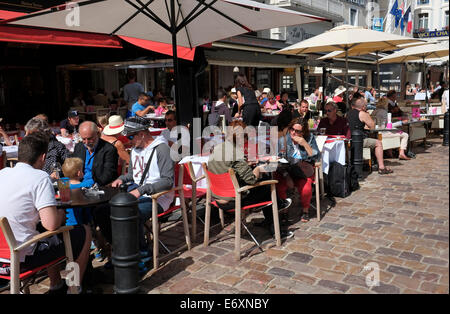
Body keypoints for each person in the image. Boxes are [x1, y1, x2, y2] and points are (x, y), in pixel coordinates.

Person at [0, 134, 91, 294]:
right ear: (43, 157)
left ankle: (56, 284)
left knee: (47, 235)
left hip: (2, 257)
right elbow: (51, 224)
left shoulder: (2, 174)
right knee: (83, 232)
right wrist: (61, 214)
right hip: (19, 258)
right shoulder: (40, 177)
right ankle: (74, 287)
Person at [207, 120, 293, 238]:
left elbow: (228, 168)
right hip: (233, 200)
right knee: (268, 188)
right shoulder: (235, 153)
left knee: (264, 188)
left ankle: (273, 214)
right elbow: (251, 180)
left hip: (217, 198)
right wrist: (258, 169)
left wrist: (246, 164)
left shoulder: (217, 148)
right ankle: (277, 229)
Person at [110, 116, 174, 257]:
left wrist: (142, 190)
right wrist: (121, 178)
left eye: (131, 137)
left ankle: (142, 254)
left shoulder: (162, 149)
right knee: (108, 210)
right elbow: (133, 174)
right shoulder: (135, 149)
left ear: (142, 134)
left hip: (159, 197)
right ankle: (122, 252)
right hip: (138, 192)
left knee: (130, 214)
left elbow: (168, 181)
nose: (129, 141)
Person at [277, 117, 321, 223]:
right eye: (292, 129)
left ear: (303, 132)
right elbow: (278, 161)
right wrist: (286, 176)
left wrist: (305, 144)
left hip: (303, 171)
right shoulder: (283, 140)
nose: (293, 133)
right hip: (287, 171)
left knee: (306, 188)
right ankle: (284, 211)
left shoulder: (309, 138)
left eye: (298, 131)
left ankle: (305, 211)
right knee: (280, 186)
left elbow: (317, 157)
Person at [347, 94, 393, 175]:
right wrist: (367, 115)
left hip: (349, 139)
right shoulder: (362, 113)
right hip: (359, 140)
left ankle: (369, 162)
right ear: (363, 107)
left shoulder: (348, 113)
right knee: (378, 143)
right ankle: (381, 167)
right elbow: (372, 126)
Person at [72, 121, 118, 187]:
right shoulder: (79, 147)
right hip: (79, 184)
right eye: (83, 139)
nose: (87, 142)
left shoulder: (109, 149)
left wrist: (90, 184)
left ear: (98, 134)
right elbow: (73, 168)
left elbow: (108, 175)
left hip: (97, 186)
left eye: (90, 139)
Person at [62, 157, 93, 226]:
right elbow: (92, 182)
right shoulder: (84, 185)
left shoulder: (63, 185)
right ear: (79, 173)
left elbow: (62, 178)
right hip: (82, 222)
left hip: (66, 222)